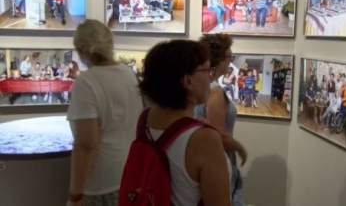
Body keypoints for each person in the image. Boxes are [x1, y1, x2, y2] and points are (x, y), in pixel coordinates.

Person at [139, 39, 231, 206]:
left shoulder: (145, 119)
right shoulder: (205, 139)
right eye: (207, 71)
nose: (210, 78)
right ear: (188, 81)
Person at [66, 19, 145, 206]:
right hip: (129, 174)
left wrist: (75, 195)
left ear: (81, 50)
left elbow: (86, 145)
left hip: (101, 181)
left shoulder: (87, 82)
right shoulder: (127, 74)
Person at [195, 33, 247, 206]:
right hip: (219, 163)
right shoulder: (215, 92)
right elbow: (218, 137)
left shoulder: (199, 87)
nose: (230, 62)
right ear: (217, 60)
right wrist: (240, 147)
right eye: (229, 57)